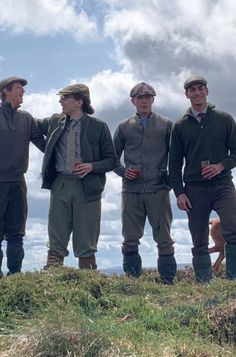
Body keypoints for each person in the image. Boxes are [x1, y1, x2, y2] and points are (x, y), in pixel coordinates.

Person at [38, 83, 117, 270]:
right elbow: (29, 125)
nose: (60, 101)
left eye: (65, 98)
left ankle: (88, 288)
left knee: (86, 240)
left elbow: (112, 160)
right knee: (56, 237)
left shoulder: (99, 126)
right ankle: (50, 287)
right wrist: (47, 150)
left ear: (79, 101)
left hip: (87, 188)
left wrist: (92, 166)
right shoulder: (54, 122)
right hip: (60, 185)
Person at [169, 75, 236, 282]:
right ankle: (204, 281)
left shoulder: (224, 119)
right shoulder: (180, 126)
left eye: (200, 88)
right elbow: (174, 164)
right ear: (186, 94)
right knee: (198, 236)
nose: (197, 93)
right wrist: (179, 193)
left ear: (207, 91)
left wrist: (220, 165)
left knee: (233, 228)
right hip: (194, 188)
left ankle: (233, 279)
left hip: (223, 183)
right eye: (192, 90)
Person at [113, 82, 177, 284]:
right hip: (131, 190)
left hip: (158, 189)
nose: (144, 101)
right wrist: (123, 172)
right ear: (133, 101)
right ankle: (133, 281)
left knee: (164, 237)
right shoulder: (124, 127)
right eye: (140, 98)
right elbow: (111, 158)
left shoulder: (167, 125)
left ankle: (167, 280)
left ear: (153, 100)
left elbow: (176, 156)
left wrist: (170, 181)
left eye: (148, 97)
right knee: (130, 237)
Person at [0, 76, 45, 277]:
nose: (23, 92)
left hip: (18, 182)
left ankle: (15, 276)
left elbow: (44, 145)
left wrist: (65, 163)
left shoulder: (26, 119)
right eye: (19, 88)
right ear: (6, 91)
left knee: (17, 233)